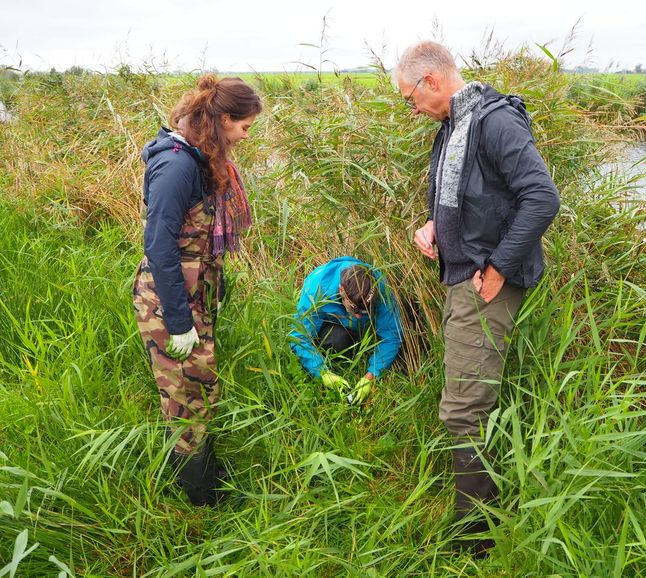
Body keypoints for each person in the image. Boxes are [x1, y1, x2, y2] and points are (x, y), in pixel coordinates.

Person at [394, 41, 560, 555]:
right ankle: (484, 516)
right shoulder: (454, 125)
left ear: (431, 82)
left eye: (409, 98)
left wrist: (497, 267)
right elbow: (469, 197)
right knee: (468, 403)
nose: (411, 108)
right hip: (461, 273)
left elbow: (542, 197)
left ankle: (476, 540)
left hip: (484, 282)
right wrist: (434, 227)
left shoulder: (493, 122)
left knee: (463, 411)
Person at [132, 74, 262, 506]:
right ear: (224, 119)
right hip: (169, 303)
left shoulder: (200, 156)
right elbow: (159, 245)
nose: (245, 136)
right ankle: (200, 499)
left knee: (200, 388)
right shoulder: (177, 166)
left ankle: (200, 473)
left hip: (194, 296)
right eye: (244, 127)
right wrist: (179, 320)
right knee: (187, 397)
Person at [289, 257, 403, 404]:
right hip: (335, 328)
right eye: (355, 309)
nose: (358, 316)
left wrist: (371, 375)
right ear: (341, 290)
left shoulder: (380, 286)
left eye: (365, 311)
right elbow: (299, 336)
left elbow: (391, 336)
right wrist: (322, 373)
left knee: (406, 309)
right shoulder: (316, 288)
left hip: (366, 331)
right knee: (336, 341)